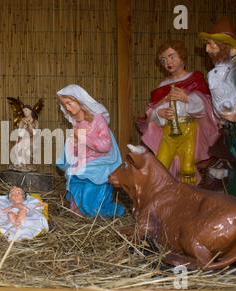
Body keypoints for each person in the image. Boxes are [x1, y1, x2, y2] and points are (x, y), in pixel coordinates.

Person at [137, 40, 219, 184]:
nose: (168, 62)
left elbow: (205, 106)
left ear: (182, 57)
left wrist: (187, 98)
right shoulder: (163, 86)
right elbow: (151, 112)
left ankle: (188, 196)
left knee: (187, 167)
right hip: (168, 132)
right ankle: (165, 196)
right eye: (163, 60)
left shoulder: (195, 79)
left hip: (189, 131)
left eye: (171, 56)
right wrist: (159, 114)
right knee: (161, 164)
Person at [199, 16, 236, 208]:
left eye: (212, 45)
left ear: (227, 47)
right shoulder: (222, 72)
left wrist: (235, 116)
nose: (207, 50)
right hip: (233, 132)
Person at [56, 84, 124, 218]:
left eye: (69, 103)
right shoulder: (76, 124)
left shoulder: (98, 119)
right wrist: (74, 145)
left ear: (79, 100)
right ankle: (80, 209)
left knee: (88, 192)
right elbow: (77, 151)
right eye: (65, 106)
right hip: (85, 161)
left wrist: (82, 137)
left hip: (101, 161)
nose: (67, 108)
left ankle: (94, 208)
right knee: (73, 173)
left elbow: (105, 145)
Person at [11, 105, 39, 171]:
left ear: (30, 111)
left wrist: (29, 124)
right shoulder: (22, 121)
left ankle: (28, 165)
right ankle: (21, 165)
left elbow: (34, 133)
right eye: (23, 111)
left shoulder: (35, 122)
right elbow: (20, 132)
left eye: (26, 110)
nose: (24, 112)